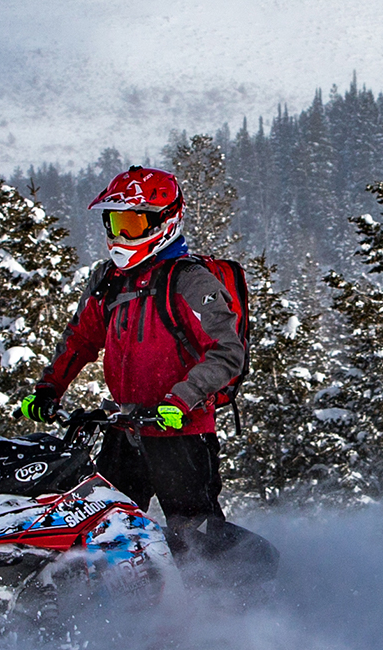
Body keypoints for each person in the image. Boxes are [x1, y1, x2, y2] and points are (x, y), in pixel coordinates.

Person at [22, 166, 277, 587]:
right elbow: (80, 339)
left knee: (191, 536)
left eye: (131, 223)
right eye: (114, 223)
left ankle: (230, 613)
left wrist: (180, 399)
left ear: (165, 220)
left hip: (181, 433)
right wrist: (49, 388)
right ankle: (111, 613)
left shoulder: (191, 280)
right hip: (124, 429)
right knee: (98, 527)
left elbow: (227, 351)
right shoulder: (108, 280)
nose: (120, 236)